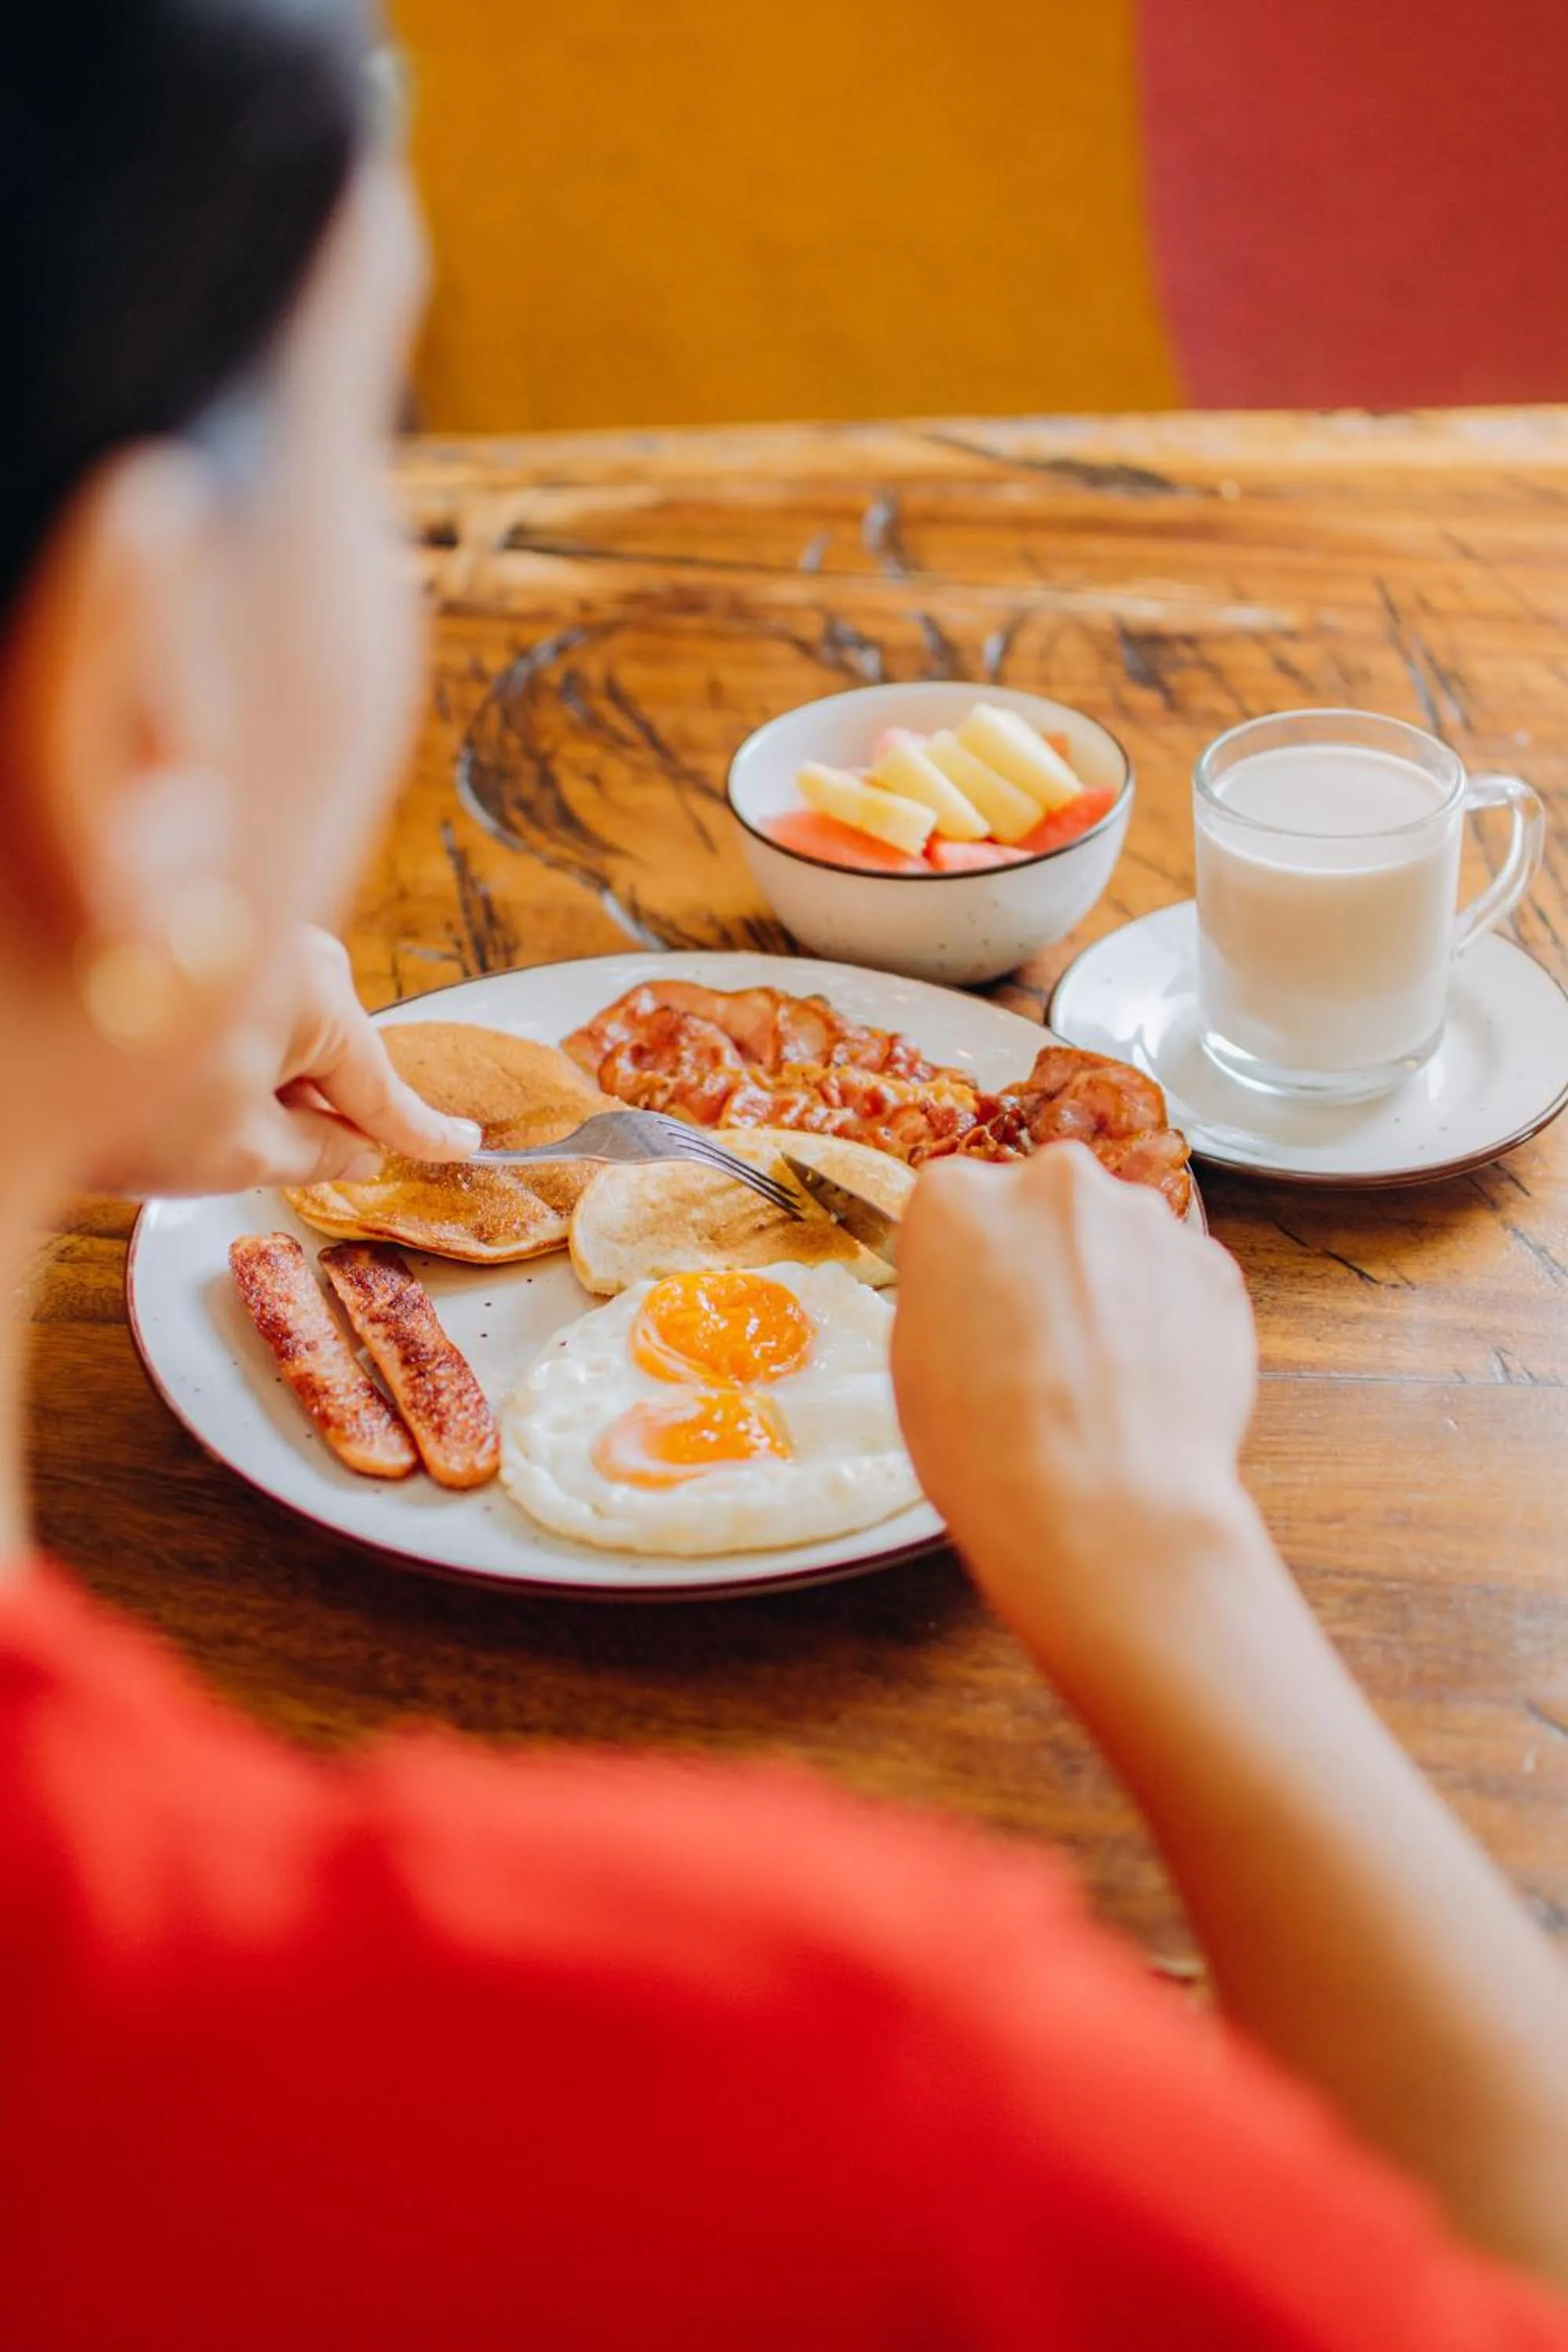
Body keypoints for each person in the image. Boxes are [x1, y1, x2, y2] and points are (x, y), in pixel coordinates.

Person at [1, 5, 1566, 2347]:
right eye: (383, 448)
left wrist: (80, 1007)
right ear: (141, 705)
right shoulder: (811, 2067)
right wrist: (1159, 1558)